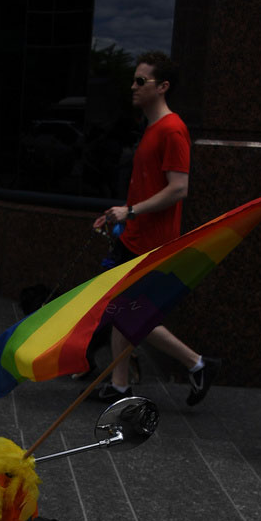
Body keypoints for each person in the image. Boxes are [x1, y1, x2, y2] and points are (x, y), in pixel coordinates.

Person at [93, 51, 220, 406]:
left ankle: (197, 364)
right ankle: (119, 386)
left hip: (153, 242)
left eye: (140, 81)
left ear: (162, 87)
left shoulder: (172, 128)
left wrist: (130, 211)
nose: (133, 87)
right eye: (133, 80)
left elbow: (179, 188)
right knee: (123, 309)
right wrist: (118, 215)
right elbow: (147, 187)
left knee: (132, 312)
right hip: (135, 235)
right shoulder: (151, 128)